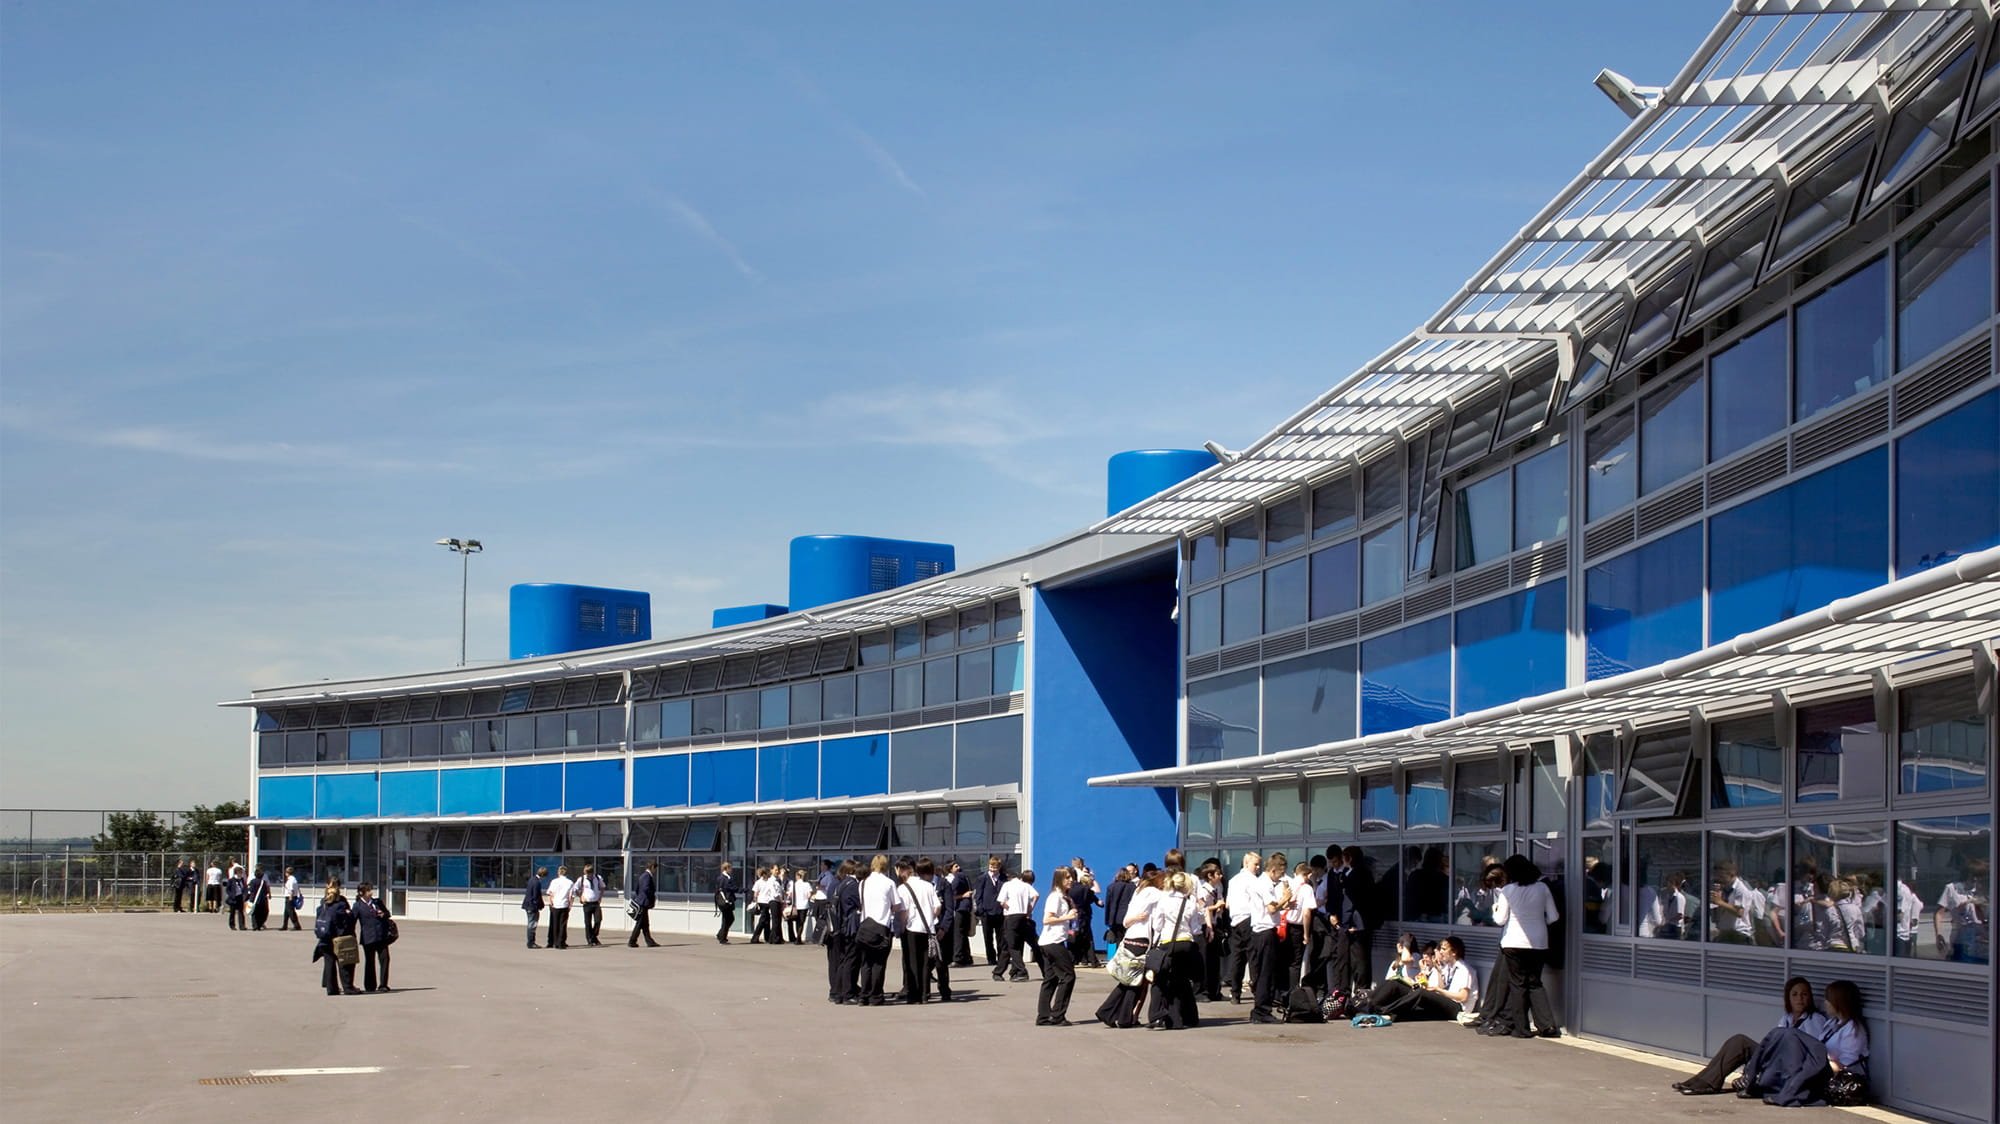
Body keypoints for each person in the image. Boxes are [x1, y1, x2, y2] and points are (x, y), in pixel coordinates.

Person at [1673, 976, 1829, 1095]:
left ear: (1810, 997)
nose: (1799, 999)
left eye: (1804, 995)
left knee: (1744, 1043)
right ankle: (1700, 1081)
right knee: (1739, 1041)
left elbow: (1812, 1053)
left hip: (1790, 1064)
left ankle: (1707, 1084)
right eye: (1794, 995)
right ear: (1788, 998)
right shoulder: (1786, 1018)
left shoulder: (1815, 1020)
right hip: (1775, 1057)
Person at [1491, 853, 1561, 1038]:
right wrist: (1539, 921)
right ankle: (1547, 1026)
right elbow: (1554, 917)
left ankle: (1521, 1028)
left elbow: (1500, 920)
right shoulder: (1542, 888)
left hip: (1513, 942)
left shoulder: (1507, 891)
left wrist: (1494, 909)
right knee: (1535, 983)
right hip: (1539, 942)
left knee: (1518, 985)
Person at [1096, 868, 1165, 1028]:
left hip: (1130, 938)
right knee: (1134, 982)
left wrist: (1136, 918)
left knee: (1128, 981)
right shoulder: (1154, 893)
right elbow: (1158, 921)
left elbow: (1126, 921)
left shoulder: (1138, 893)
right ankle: (1118, 1016)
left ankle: (1110, 1013)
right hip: (1142, 941)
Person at [1146, 870, 1203, 1030]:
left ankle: (1157, 1016)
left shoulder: (1164, 901)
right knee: (1180, 980)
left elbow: (1157, 925)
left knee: (1160, 980)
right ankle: (1179, 1019)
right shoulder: (1190, 903)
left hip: (1168, 942)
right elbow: (1196, 928)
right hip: (1186, 943)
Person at [1372, 935, 1475, 1021]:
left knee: (1421, 993)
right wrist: (1428, 974)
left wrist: (1438, 990)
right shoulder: (1447, 967)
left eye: (1443, 949)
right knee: (1396, 984)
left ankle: (1385, 1011)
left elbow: (1462, 997)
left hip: (1458, 1009)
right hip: (1447, 1002)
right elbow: (1442, 986)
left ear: (1454, 952)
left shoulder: (1464, 970)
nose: (1441, 952)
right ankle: (1370, 1004)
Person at [1035, 867, 1078, 1026]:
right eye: (1067, 877)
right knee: (1068, 976)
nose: (1071, 880)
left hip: (1050, 941)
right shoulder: (1055, 898)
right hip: (1053, 942)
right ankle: (1058, 1014)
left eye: (1072, 877)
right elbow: (1047, 919)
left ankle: (1043, 1016)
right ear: (1059, 879)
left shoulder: (1064, 897)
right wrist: (1067, 916)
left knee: (1051, 978)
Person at [895, 858, 940, 1004]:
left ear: (904, 871)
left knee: (912, 962)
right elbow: (937, 907)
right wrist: (930, 917)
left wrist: (901, 926)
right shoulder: (928, 885)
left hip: (911, 928)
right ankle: (925, 994)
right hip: (928, 928)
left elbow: (903, 912)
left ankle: (913, 994)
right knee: (926, 962)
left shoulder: (903, 888)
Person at [857, 855, 898, 1006]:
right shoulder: (889, 883)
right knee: (879, 964)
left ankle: (864, 995)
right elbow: (896, 905)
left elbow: (860, 903)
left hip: (865, 926)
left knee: (866, 963)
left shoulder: (863, 883)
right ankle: (876, 995)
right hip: (882, 926)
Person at [1222, 851, 1263, 1004]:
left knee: (1237, 958)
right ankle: (1257, 990)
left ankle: (1235, 993)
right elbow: (1258, 902)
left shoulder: (1233, 880)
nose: (1258, 868)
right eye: (1256, 864)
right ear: (1247, 863)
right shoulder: (1253, 881)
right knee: (1253, 957)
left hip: (1235, 921)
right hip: (1249, 919)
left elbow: (1228, 903)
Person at [312, 878, 361, 996]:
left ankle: (331, 988)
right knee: (344, 963)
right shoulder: (341, 904)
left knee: (329, 963)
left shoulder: (323, 902)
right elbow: (347, 921)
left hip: (324, 937)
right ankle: (348, 987)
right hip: (338, 938)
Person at [1935, 858, 1988, 964]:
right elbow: (1939, 913)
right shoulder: (1951, 888)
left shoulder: (1980, 890)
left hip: (1980, 938)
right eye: (1975, 876)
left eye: (1980, 877)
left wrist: (1981, 904)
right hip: (1960, 938)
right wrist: (1938, 934)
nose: (1976, 880)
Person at [827, 859, 863, 1004]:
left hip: (837, 926)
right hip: (846, 926)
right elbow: (856, 904)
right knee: (848, 960)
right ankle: (845, 991)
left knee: (841, 960)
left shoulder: (837, 884)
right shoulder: (850, 885)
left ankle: (838, 991)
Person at [996, 869, 1039, 982]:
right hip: (1023, 916)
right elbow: (1036, 895)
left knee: (1011, 946)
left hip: (1010, 917)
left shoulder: (1007, 885)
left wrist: (1009, 907)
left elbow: (1001, 902)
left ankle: (1021, 971)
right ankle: (1002, 971)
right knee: (1014, 944)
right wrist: (1029, 909)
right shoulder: (1025, 886)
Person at [353, 882, 392, 992]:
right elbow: (352, 920)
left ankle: (383, 984)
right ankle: (370, 985)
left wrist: (383, 914)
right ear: (362, 893)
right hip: (368, 937)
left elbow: (388, 913)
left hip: (381, 936)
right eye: (368, 890)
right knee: (370, 961)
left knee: (385, 959)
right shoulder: (358, 906)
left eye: (371, 890)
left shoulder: (377, 902)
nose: (371, 892)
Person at [1066, 859, 1102, 968]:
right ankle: (1093, 961)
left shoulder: (1067, 890)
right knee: (1088, 938)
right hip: (1084, 915)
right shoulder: (1085, 889)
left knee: (1072, 936)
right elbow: (1096, 899)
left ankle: (1072, 960)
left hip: (1071, 916)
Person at [973, 856, 1008, 966]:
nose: (993, 869)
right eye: (991, 866)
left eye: (995, 867)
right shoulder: (982, 878)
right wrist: (980, 909)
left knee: (1001, 938)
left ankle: (1001, 958)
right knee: (988, 938)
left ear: (999, 867)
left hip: (999, 912)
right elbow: (978, 895)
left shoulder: (1003, 878)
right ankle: (991, 958)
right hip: (986, 912)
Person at [1102, 865, 1136, 964]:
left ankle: (1116, 959)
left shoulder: (1111, 887)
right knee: (1126, 939)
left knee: (1117, 939)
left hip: (1114, 917)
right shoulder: (1132, 887)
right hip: (1127, 917)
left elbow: (1108, 904)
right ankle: (1124, 959)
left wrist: (1107, 920)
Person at [946, 860, 976, 968]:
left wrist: (961, 896)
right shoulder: (965, 876)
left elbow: (950, 893)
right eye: (955, 866)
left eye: (957, 865)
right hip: (965, 908)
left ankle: (958, 958)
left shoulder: (958, 877)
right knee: (963, 934)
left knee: (958, 933)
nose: (958, 868)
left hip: (959, 908)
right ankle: (967, 957)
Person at [628, 860, 660, 948]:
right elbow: (646, 889)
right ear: (652, 867)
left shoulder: (642, 876)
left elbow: (637, 889)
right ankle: (632, 941)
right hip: (643, 903)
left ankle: (649, 941)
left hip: (641, 901)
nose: (655, 871)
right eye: (655, 869)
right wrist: (650, 896)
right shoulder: (647, 876)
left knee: (645, 924)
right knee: (640, 923)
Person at [545, 865, 575, 950]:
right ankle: (561, 942)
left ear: (559, 872)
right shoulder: (570, 882)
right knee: (563, 924)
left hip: (555, 904)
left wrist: (550, 902)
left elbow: (550, 893)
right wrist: (570, 905)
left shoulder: (554, 881)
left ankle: (555, 941)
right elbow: (571, 896)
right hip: (564, 904)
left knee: (555, 924)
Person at [574, 863, 605, 947]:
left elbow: (602, 887)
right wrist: (580, 897)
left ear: (592, 872)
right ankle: (589, 940)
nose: (588, 875)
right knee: (588, 923)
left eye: (589, 874)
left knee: (598, 920)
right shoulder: (582, 879)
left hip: (595, 903)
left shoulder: (598, 878)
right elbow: (575, 889)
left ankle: (594, 936)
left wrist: (600, 897)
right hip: (587, 903)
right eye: (586, 873)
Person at [522, 866, 547, 949]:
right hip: (532, 906)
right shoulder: (537, 882)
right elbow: (536, 896)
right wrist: (539, 906)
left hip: (528, 905)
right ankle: (531, 942)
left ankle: (530, 942)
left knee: (530, 923)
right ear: (543, 875)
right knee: (532, 924)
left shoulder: (531, 879)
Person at [713, 861, 738, 944]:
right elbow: (722, 889)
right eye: (730, 868)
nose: (731, 870)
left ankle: (721, 935)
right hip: (725, 901)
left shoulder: (727, 877)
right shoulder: (723, 878)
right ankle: (722, 937)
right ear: (726, 868)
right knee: (728, 919)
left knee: (727, 919)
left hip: (728, 901)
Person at [788, 868, 813, 945]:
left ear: (798, 876)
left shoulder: (794, 884)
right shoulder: (807, 884)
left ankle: (797, 938)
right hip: (804, 905)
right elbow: (809, 895)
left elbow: (790, 895)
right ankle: (798, 938)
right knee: (801, 922)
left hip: (796, 905)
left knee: (797, 922)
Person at [223, 866, 248, 931]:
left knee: (241, 912)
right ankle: (232, 925)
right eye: (240, 873)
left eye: (241, 873)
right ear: (236, 873)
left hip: (240, 897)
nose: (241, 874)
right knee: (232, 912)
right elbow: (227, 889)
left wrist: (245, 895)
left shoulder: (242, 879)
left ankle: (242, 926)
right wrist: (231, 895)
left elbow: (245, 887)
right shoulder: (231, 880)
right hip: (233, 898)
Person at [281, 866, 303, 931]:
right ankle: (284, 925)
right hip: (291, 896)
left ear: (287, 873)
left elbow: (291, 889)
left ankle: (297, 925)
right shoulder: (294, 879)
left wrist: (290, 897)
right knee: (286, 913)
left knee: (291, 912)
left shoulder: (291, 880)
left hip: (290, 897)